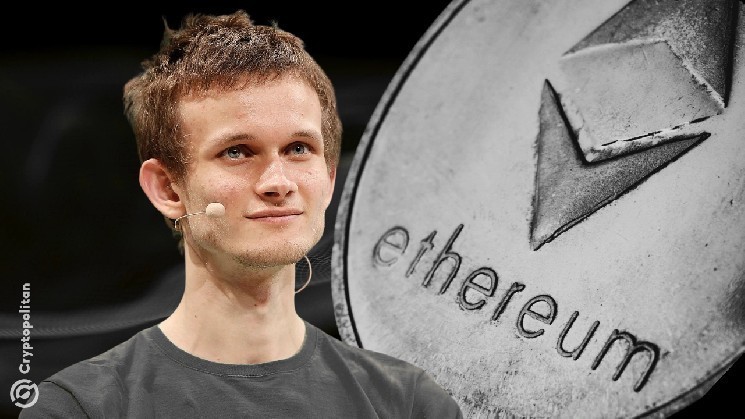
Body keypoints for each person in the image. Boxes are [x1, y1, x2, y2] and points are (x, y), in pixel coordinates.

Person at [20, 9, 463, 418]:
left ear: (329, 179)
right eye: (237, 151)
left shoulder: (409, 404)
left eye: (298, 148)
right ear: (168, 189)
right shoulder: (82, 408)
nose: (278, 182)